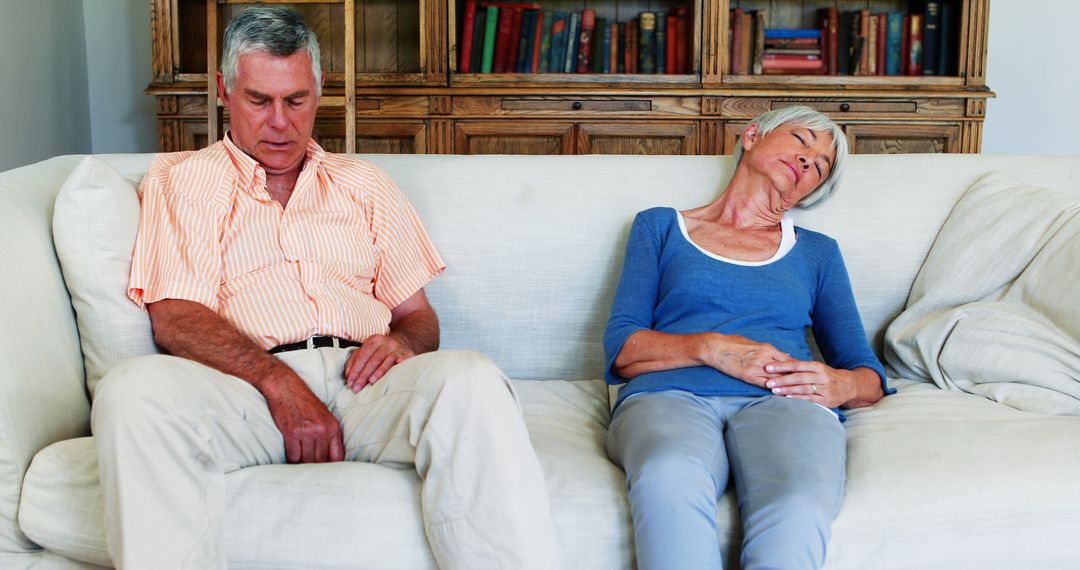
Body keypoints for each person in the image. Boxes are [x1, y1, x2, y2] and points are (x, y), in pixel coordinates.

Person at [91, 7, 559, 569]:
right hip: (247, 394)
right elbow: (176, 316)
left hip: (363, 388)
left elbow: (418, 316)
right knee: (132, 391)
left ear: (320, 91)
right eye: (259, 100)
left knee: (473, 379)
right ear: (224, 90)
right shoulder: (182, 180)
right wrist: (281, 387)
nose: (280, 123)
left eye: (297, 100)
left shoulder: (364, 184)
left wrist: (405, 344)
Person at [603, 106, 894, 570]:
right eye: (801, 141)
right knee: (668, 477)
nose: (808, 160)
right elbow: (622, 349)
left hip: (786, 402)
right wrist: (712, 348)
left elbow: (867, 373)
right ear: (753, 135)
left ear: (813, 191)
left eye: (821, 165)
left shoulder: (818, 253)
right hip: (668, 395)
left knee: (797, 503)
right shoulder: (660, 227)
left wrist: (842, 385)